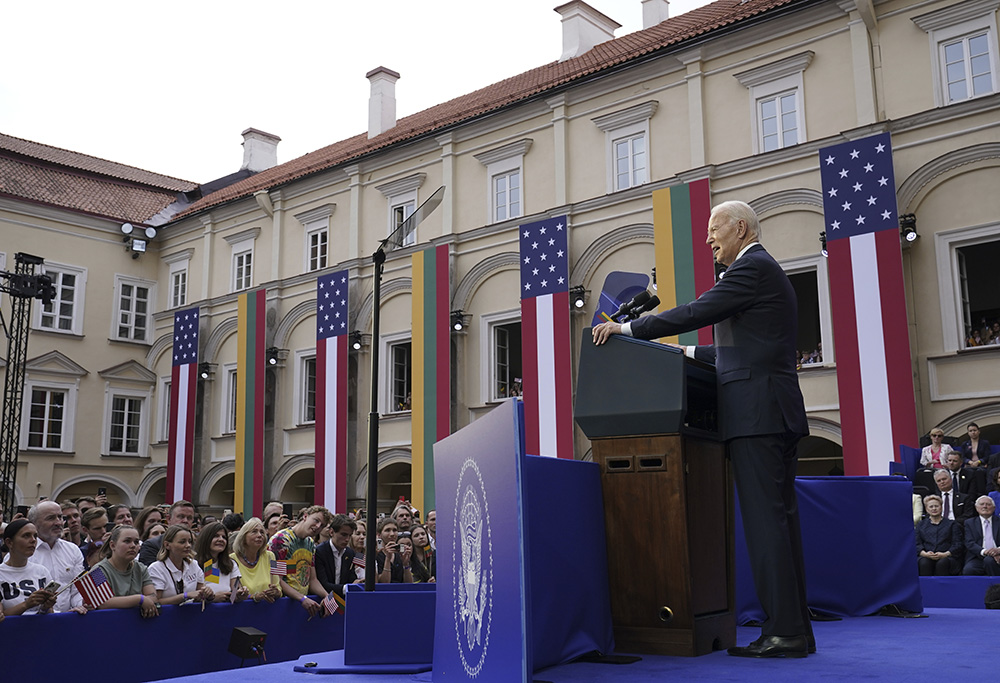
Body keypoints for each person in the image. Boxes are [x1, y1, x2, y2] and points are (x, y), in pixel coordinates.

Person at [593, 200, 812, 658]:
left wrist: (627, 329)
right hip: (772, 411)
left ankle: (785, 633)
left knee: (767, 527)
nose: (709, 239)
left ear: (740, 227)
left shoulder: (750, 268)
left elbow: (696, 311)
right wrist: (683, 355)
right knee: (780, 524)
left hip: (757, 415)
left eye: (714, 230)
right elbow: (732, 352)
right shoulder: (761, 272)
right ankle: (792, 628)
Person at [267, 505, 332, 616]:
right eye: (316, 520)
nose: (317, 526)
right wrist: (302, 599)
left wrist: (327, 597)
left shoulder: (310, 543)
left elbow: (312, 579)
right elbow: (277, 579)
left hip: (300, 604)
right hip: (283, 604)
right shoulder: (282, 539)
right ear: (305, 516)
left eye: (322, 526)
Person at [28, 501, 85, 613]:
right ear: (34, 524)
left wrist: (81, 604)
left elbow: (76, 590)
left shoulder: (73, 550)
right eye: (51, 518)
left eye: (60, 517)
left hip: (68, 620)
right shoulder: (23, 552)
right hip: (35, 621)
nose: (58, 522)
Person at [93, 526, 158, 617]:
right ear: (112, 545)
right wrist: (139, 599)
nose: (133, 546)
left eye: (136, 542)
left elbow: (153, 597)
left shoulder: (141, 568)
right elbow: (102, 602)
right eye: (127, 541)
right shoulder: (98, 571)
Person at [0, 520, 57, 616]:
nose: (33, 540)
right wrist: (26, 605)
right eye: (26, 536)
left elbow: (49, 613)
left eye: (35, 536)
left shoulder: (42, 571)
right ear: (9, 542)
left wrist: (46, 607)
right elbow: (2, 617)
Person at [148, 525, 212, 606]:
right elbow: (156, 602)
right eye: (182, 542)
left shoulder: (193, 565)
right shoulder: (156, 568)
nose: (188, 545)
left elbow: (200, 592)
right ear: (167, 545)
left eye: (190, 541)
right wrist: (185, 596)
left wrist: (207, 593)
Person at [194, 522, 249, 603]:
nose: (221, 539)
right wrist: (212, 598)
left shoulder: (231, 564)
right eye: (216, 536)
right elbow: (193, 596)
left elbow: (235, 592)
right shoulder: (194, 564)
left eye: (224, 537)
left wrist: (241, 594)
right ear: (206, 539)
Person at [231, 518, 282, 603]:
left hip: (268, 609)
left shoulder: (271, 556)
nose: (259, 535)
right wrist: (254, 597)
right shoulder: (232, 559)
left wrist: (276, 592)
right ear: (243, 537)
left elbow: (278, 586)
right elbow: (233, 595)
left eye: (262, 532)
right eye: (254, 532)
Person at [138, 500, 196, 566]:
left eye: (189, 518)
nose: (185, 521)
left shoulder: (198, 544)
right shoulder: (152, 545)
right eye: (181, 516)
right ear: (168, 519)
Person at [915, 495, 961, 576]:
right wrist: (924, 554)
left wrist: (945, 554)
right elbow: (916, 543)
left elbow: (957, 544)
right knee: (924, 563)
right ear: (926, 509)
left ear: (941, 507)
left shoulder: (952, 524)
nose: (934, 508)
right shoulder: (921, 525)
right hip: (926, 556)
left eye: (936, 506)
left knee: (942, 563)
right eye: (931, 506)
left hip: (947, 557)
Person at [315, 514, 360, 597]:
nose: (347, 539)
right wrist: (346, 587)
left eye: (350, 535)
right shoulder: (319, 552)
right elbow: (322, 583)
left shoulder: (350, 553)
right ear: (331, 532)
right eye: (343, 535)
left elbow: (350, 578)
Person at [963, 497, 1000, 576]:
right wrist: (984, 551)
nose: (985, 506)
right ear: (976, 508)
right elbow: (969, 542)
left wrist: (998, 550)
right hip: (978, 556)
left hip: (998, 555)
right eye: (982, 504)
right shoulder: (969, 523)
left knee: (989, 561)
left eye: (988, 504)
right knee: (969, 569)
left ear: (994, 508)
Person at [375, 517, 413, 584]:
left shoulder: (400, 553)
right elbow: (384, 583)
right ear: (379, 535)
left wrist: (406, 564)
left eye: (395, 530)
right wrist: (388, 559)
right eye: (387, 530)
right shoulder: (377, 553)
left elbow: (409, 584)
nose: (392, 534)